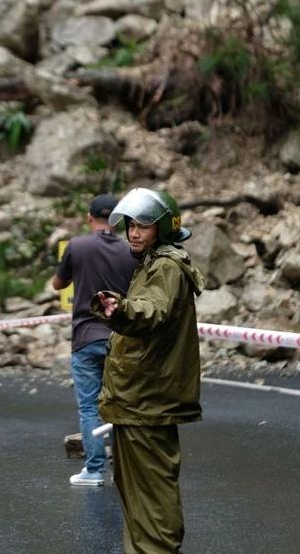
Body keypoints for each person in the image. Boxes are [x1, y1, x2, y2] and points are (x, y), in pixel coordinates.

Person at [91, 187, 206, 554]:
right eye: (131, 225)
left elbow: (151, 311)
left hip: (147, 404)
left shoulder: (167, 267)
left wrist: (121, 310)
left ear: (164, 228)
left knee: (152, 502)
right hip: (138, 403)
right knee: (138, 500)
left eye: (144, 225)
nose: (134, 232)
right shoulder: (155, 262)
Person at [52, 193, 136, 487]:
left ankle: (94, 470)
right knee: (122, 404)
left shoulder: (77, 246)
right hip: (122, 338)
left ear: (90, 218)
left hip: (86, 336)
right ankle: (126, 469)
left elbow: (57, 283)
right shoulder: (130, 250)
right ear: (117, 221)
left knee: (90, 406)